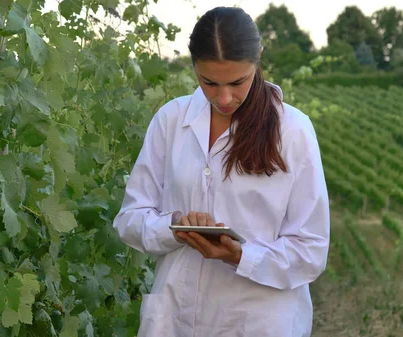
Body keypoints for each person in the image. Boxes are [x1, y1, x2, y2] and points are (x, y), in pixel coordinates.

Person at [112, 6, 330, 337]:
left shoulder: (293, 131)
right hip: (173, 319)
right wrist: (174, 228)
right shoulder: (171, 121)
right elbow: (129, 220)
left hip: (259, 323)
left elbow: (311, 250)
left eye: (237, 82)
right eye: (209, 82)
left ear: (258, 57)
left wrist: (241, 255)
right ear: (193, 66)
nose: (224, 98)